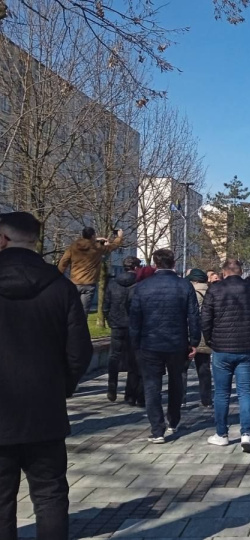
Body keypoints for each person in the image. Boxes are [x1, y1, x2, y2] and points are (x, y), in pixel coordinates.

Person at [0, 212, 92, 540]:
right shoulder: (61, 288)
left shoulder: (60, 286)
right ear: (36, 240)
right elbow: (80, 352)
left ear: (3, 239)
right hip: (44, 410)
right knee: (50, 494)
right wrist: (61, 386)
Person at [129, 249, 201, 444]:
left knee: (152, 386)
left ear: (154, 264)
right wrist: (194, 342)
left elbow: (135, 319)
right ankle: (173, 420)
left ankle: (157, 428)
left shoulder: (142, 287)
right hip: (176, 343)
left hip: (149, 342)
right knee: (176, 382)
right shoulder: (184, 286)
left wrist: (135, 344)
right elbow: (193, 316)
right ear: (174, 262)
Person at [201, 259, 250, 452]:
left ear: (223, 272)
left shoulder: (215, 289)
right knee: (245, 391)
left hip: (221, 346)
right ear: (241, 271)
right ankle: (247, 433)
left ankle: (221, 434)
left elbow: (206, 318)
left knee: (221, 393)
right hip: (247, 346)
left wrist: (209, 339)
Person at [102, 256, 142, 404]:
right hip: (133, 325)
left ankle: (112, 386)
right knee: (133, 359)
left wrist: (110, 321)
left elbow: (106, 306)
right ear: (136, 268)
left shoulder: (113, 283)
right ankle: (129, 393)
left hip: (117, 324)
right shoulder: (139, 284)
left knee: (114, 356)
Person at [58, 227, 123, 313]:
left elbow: (63, 262)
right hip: (89, 283)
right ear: (93, 236)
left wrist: (58, 276)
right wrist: (119, 237)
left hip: (74, 282)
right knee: (83, 312)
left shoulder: (74, 246)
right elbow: (113, 246)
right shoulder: (97, 247)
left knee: (71, 309)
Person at [186, 269, 214, 407]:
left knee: (182, 370)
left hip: (192, 334)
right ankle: (206, 399)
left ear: (194, 280)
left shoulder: (191, 293)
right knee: (204, 369)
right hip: (206, 335)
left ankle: (181, 399)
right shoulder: (211, 292)